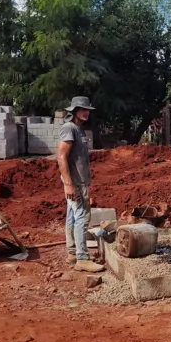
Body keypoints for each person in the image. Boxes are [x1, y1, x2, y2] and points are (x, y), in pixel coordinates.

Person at [57, 96, 104, 273]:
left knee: (72, 216)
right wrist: (69, 184)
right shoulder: (69, 128)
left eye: (87, 110)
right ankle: (82, 258)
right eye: (82, 109)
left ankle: (72, 253)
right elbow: (61, 157)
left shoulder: (78, 129)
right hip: (76, 183)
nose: (86, 113)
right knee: (82, 218)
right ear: (74, 111)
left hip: (77, 181)